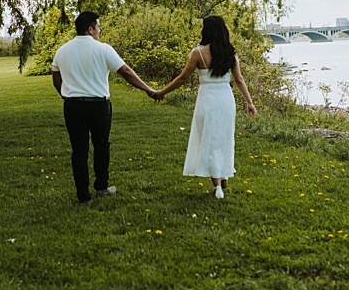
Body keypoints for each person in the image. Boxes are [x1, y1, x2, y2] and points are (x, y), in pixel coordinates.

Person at [52, 11, 157, 204]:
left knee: (79, 150)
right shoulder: (103, 49)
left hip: (73, 106)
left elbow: (56, 79)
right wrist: (148, 90)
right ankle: (101, 187)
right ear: (90, 29)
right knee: (101, 145)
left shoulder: (62, 51)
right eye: (98, 27)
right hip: (98, 105)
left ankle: (83, 196)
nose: (99, 31)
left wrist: (68, 96)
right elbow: (125, 71)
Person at [153, 15, 257, 198]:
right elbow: (239, 79)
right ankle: (224, 176)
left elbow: (182, 78)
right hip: (225, 99)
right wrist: (249, 102)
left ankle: (217, 185)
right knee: (224, 138)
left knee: (209, 138)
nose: (200, 30)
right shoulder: (230, 53)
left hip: (208, 99)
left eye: (202, 27)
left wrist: (162, 92)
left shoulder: (198, 53)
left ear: (208, 30)